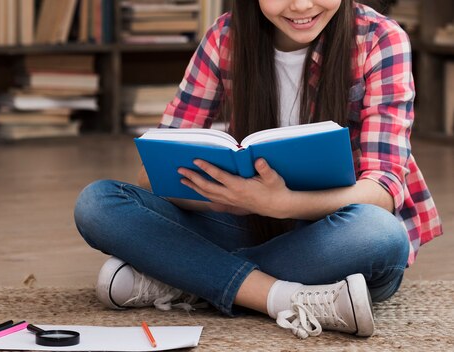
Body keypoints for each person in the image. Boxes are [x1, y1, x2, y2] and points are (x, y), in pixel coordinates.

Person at [74, 0, 443, 339]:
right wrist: (227, 200)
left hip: (333, 241)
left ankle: (185, 279)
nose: (301, 5)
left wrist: (281, 204)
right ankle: (277, 296)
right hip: (249, 224)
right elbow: (150, 171)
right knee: (98, 203)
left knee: (381, 235)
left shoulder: (380, 39)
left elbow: (383, 190)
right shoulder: (226, 37)